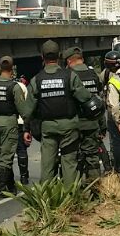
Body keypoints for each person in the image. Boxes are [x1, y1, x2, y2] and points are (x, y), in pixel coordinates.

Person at [27, 40, 93, 184]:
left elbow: (28, 110)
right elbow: (85, 98)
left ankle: (48, 200)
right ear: (59, 56)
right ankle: (69, 200)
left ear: (42, 57)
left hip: (48, 128)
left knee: (47, 165)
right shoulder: (70, 76)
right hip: (69, 128)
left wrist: (27, 129)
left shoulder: (36, 80)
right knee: (69, 164)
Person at [0, 56, 33, 195]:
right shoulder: (14, 87)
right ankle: (1, 188)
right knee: (7, 156)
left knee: (1, 156)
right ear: (12, 69)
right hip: (8, 122)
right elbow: (23, 110)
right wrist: (29, 125)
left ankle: (9, 185)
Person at [67, 47, 108, 179]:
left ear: (69, 61)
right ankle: (94, 188)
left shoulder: (69, 76)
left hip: (74, 124)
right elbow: (99, 102)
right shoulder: (94, 75)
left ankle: (77, 190)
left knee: (73, 158)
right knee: (92, 157)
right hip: (92, 123)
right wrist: (102, 126)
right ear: (82, 59)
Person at [15, 74, 32, 185]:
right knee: (21, 150)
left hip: (9, 123)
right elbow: (27, 107)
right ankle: (24, 176)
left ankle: (4, 180)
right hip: (21, 122)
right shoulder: (21, 86)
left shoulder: (2, 85)